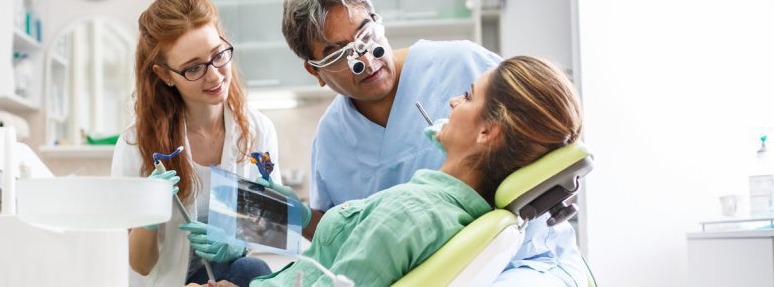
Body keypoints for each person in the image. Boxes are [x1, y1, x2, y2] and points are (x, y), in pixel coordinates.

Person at [273, 0, 588, 286]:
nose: (367, 61)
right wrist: (295, 217)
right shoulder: (332, 139)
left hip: (524, 259)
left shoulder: (464, 64)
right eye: (340, 54)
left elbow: (542, 123)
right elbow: (343, 241)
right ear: (315, 71)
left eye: (366, 36)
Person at [244, 56, 582, 286]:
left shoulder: (408, 214)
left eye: (467, 96)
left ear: (487, 133)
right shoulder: (453, 214)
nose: (452, 102)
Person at [110, 0, 276, 287]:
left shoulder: (258, 130)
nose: (214, 76)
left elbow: (261, 231)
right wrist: (150, 211)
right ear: (165, 75)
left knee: (253, 269)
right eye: (194, 68)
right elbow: (140, 265)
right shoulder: (135, 145)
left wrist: (236, 244)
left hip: (229, 278)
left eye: (218, 55)